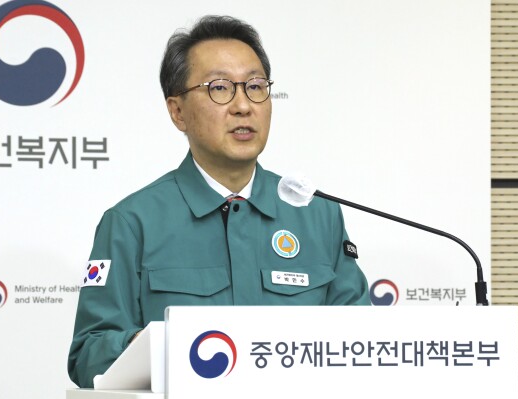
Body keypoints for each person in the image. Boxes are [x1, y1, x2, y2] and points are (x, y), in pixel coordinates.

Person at [68, 15, 370, 388]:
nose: (244, 106)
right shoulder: (132, 222)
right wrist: (153, 347)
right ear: (178, 111)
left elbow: (363, 344)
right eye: (220, 88)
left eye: (256, 87)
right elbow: (88, 355)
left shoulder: (316, 213)